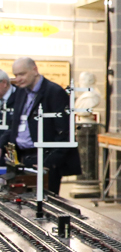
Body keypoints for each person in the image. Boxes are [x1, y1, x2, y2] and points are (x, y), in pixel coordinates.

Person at [10, 57, 82, 195]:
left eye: (22, 74)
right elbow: (16, 124)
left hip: (44, 160)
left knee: (44, 202)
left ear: (35, 70)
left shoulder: (54, 92)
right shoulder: (21, 92)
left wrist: (48, 163)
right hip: (22, 157)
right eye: (16, 75)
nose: (18, 79)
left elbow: (65, 132)